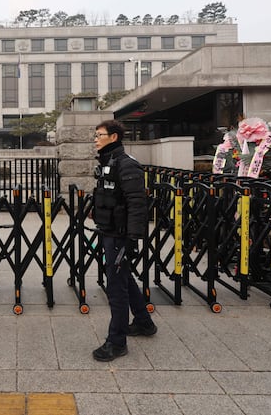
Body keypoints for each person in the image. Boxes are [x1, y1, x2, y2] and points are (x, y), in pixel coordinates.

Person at [91, 119, 157, 362]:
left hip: (119, 236)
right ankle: (143, 322)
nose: (96, 139)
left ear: (114, 137)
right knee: (124, 278)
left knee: (116, 288)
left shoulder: (126, 165)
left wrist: (132, 239)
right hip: (109, 231)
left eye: (100, 135)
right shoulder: (109, 162)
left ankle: (116, 342)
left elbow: (137, 205)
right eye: (96, 135)